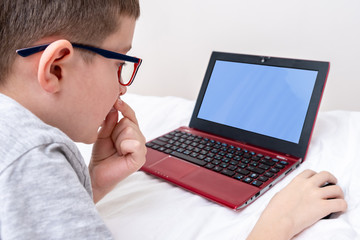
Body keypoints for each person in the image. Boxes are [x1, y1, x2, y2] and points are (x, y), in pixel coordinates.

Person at [0, 1, 347, 239]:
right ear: (56, 67)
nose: (123, 90)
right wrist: (276, 224)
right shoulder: (34, 157)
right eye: (119, 63)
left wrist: (94, 184)